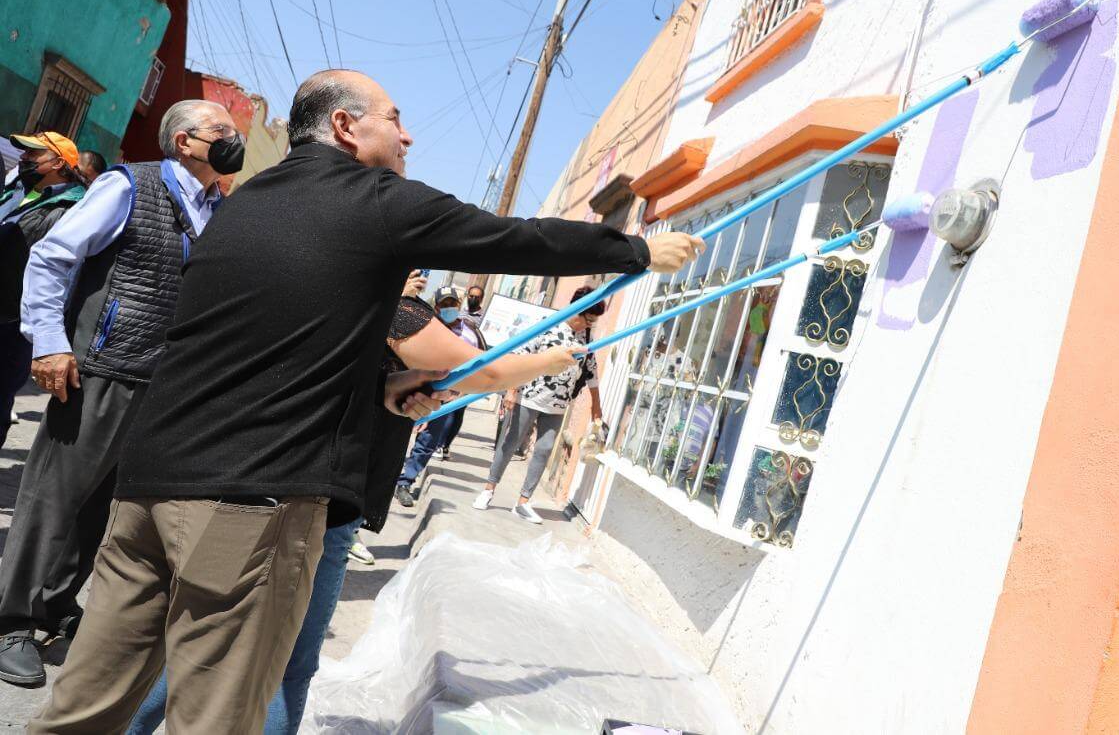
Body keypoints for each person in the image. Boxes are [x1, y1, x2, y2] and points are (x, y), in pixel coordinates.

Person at [30, 68, 703, 733]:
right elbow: (514, 238)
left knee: (82, 709)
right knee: (215, 719)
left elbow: (265, 346)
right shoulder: (375, 199)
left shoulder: (244, 204)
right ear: (346, 127)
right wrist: (636, 249)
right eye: (395, 118)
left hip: (146, 489)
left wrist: (381, 389)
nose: (409, 135)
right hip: (248, 503)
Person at [128, 288, 582, 735]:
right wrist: (553, 360)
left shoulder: (316, 293)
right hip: (325, 502)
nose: (422, 275)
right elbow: (479, 372)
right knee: (286, 663)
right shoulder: (392, 309)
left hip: (253, 483)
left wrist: (403, 391)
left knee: (199, 642)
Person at [0, 102, 241, 688]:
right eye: (222, 133)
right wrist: (51, 343)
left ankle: (55, 607)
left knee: (103, 508)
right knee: (54, 497)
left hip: (161, 383)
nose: (232, 141)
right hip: (99, 369)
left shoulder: (217, 207)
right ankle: (10, 620)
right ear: (184, 141)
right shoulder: (127, 184)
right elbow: (54, 255)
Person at [474, 285, 607, 525]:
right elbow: (521, 356)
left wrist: (596, 407)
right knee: (510, 442)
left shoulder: (586, 338)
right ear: (577, 310)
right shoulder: (549, 325)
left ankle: (523, 502)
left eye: (593, 323)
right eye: (588, 319)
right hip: (530, 396)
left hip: (557, 405)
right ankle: (488, 489)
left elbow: (592, 374)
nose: (589, 325)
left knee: (544, 449)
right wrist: (512, 391)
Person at [0, 132, 86, 450]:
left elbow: (60, 272)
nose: (23, 159)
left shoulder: (72, 207)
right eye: (24, 153)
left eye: (33, 155)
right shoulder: (17, 189)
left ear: (58, 163)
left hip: (13, 321)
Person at [394, 286, 486, 506]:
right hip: (419, 390)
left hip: (451, 396)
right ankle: (387, 476)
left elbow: (481, 360)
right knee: (397, 436)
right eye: (444, 305)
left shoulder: (471, 330)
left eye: (452, 304)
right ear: (436, 307)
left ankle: (405, 482)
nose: (449, 309)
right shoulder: (428, 328)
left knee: (429, 441)